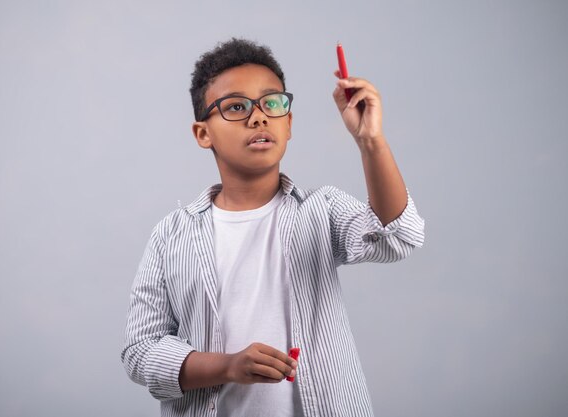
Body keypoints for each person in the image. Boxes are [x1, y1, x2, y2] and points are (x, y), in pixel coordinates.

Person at [121, 38, 425, 417]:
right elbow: (140, 351)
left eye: (272, 103)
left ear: (289, 123)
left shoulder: (320, 210)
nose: (259, 117)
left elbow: (398, 236)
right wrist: (228, 366)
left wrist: (371, 141)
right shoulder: (171, 236)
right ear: (203, 134)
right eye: (236, 107)